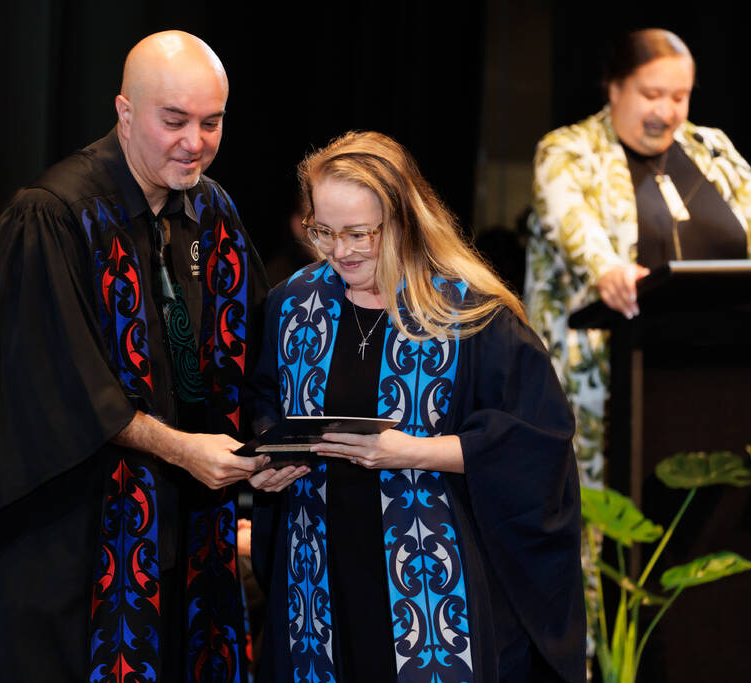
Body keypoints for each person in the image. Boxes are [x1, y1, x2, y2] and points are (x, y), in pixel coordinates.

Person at [0, 31, 269, 681]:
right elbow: (65, 391)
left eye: (212, 123)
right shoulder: (52, 217)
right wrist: (186, 449)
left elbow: (254, 352)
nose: (195, 142)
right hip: (64, 538)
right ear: (124, 112)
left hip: (181, 526)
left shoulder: (212, 211)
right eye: (174, 121)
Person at [247, 132, 586, 682]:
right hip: (317, 578)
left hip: (431, 585)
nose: (340, 250)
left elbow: (536, 442)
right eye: (323, 231)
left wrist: (415, 452)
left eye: (359, 233)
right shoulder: (292, 303)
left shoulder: (470, 315)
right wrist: (271, 460)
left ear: (403, 219)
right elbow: (266, 401)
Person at [524, 28, 751, 491]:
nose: (667, 112)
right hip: (605, 383)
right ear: (614, 89)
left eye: (680, 96)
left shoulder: (711, 148)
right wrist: (609, 270)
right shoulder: (567, 151)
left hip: (725, 376)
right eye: (652, 95)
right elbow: (576, 229)